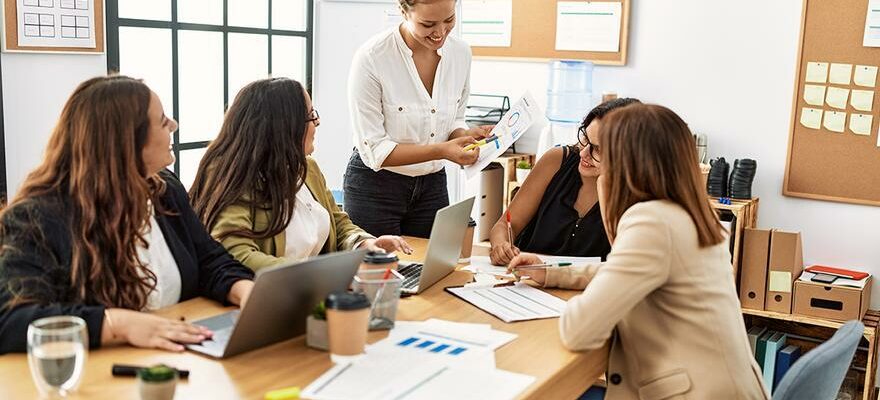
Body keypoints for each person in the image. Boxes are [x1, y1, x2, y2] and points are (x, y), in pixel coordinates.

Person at [510, 104, 768, 398]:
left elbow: (578, 330)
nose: (584, 155)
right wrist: (550, 271)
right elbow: (623, 270)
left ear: (629, 161)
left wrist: (606, 190)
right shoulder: (687, 214)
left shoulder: (652, 222)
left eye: (597, 150)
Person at [0, 76, 255, 354]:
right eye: (162, 121)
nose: (174, 126)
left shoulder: (165, 189)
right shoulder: (36, 217)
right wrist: (118, 324)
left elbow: (210, 260)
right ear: (126, 142)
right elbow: (10, 319)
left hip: (176, 359)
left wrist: (245, 290)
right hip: (96, 376)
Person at [189, 78, 412, 272]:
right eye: (311, 115)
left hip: (314, 291)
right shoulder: (236, 178)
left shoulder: (307, 168)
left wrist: (363, 244)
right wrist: (317, 273)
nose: (317, 122)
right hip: (270, 297)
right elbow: (234, 252)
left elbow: (338, 221)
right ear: (285, 126)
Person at [344, 0, 493, 238]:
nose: (440, 32)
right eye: (428, 24)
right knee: (380, 271)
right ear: (403, 11)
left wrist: (464, 136)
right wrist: (443, 151)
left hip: (432, 186)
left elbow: (455, 118)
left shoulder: (460, 53)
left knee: (431, 271)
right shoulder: (373, 58)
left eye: (449, 20)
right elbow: (375, 151)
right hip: (376, 187)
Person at [489, 98, 640, 265]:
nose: (584, 153)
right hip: (525, 279)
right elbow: (504, 225)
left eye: (598, 149)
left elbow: (624, 264)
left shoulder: (636, 195)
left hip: (585, 288)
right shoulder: (556, 160)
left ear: (627, 154)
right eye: (585, 138)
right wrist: (501, 246)